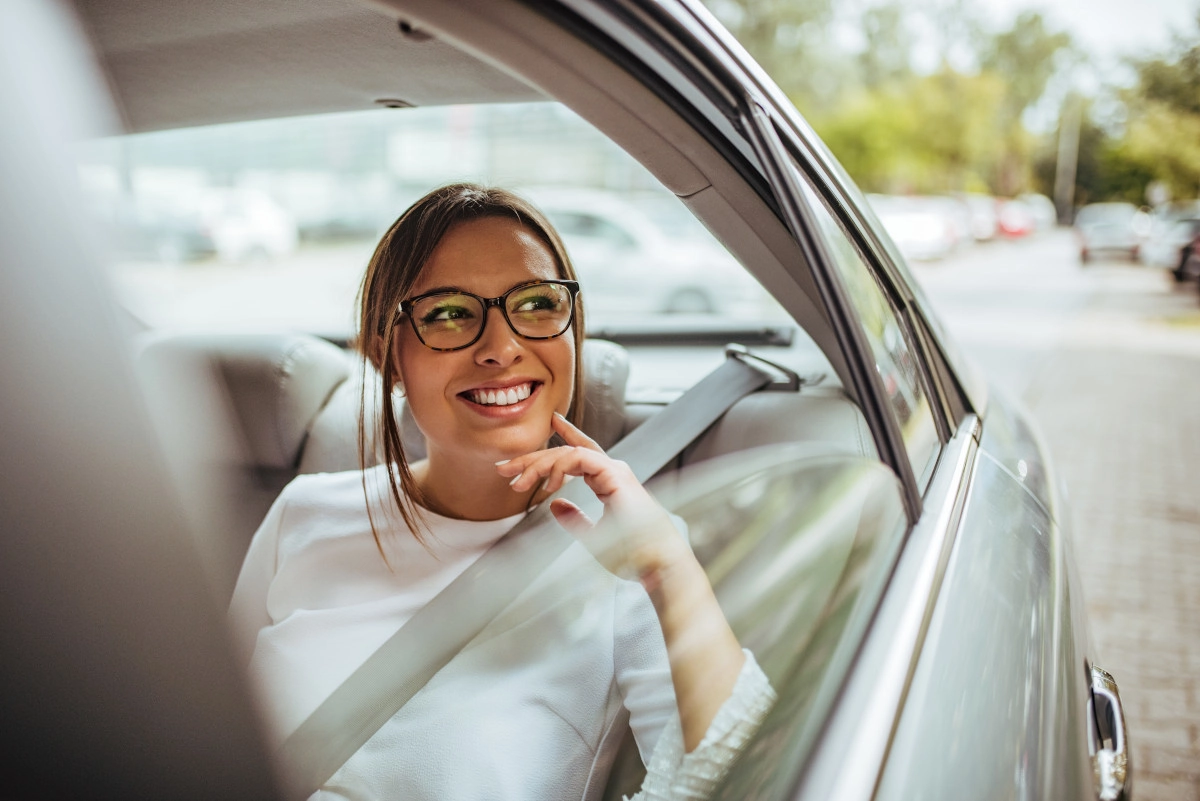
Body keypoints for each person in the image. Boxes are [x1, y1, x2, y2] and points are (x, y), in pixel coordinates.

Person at [229, 184, 775, 800]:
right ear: (388, 355)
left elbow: (744, 783)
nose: (502, 347)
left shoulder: (632, 554)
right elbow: (207, 741)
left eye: (538, 303)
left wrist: (668, 571)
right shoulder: (302, 514)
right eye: (449, 312)